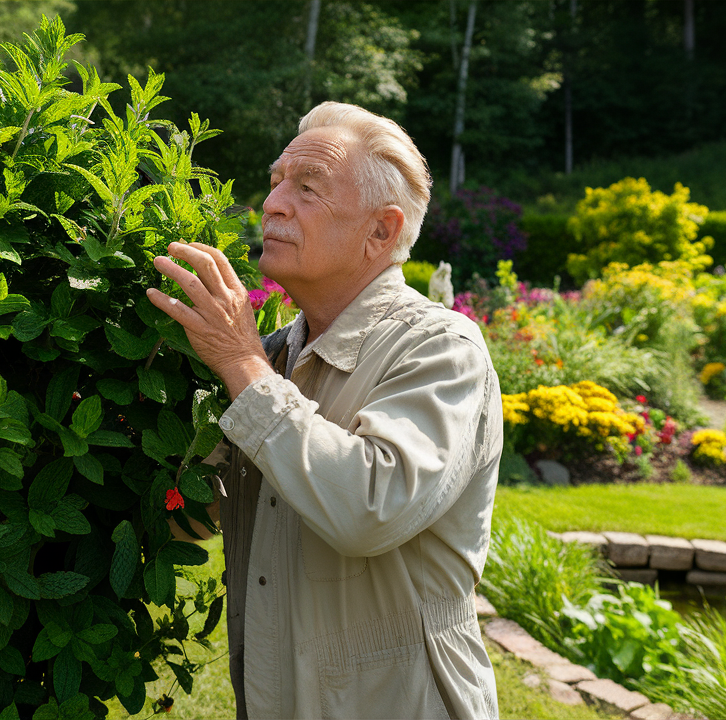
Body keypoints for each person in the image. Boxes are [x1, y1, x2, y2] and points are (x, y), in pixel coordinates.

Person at [147, 101, 501, 720]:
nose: (272, 203)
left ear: (381, 232)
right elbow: (198, 519)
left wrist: (240, 363)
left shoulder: (443, 350)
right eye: (278, 179)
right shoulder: (278, 354)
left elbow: (371, 505)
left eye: (306, 188)